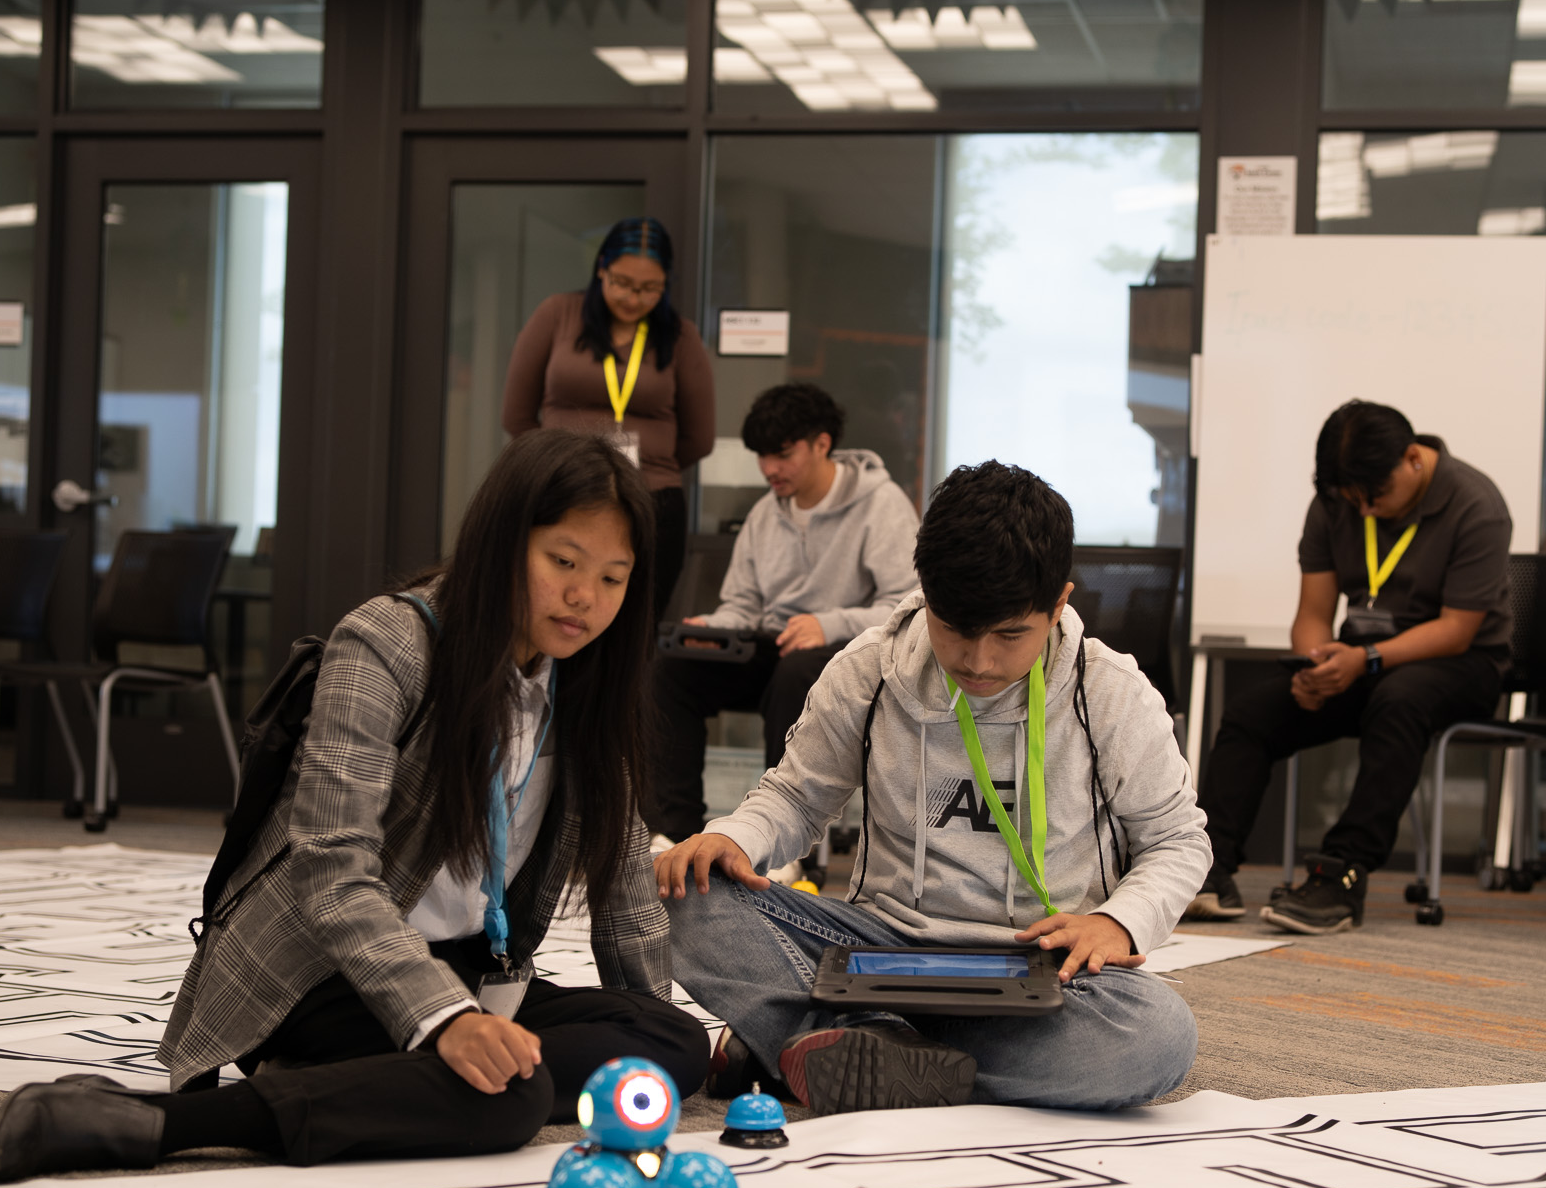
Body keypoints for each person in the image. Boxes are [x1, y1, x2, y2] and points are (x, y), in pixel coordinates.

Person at [0, 433, 706, 1182]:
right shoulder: (389, 642)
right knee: (510, 1097)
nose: (586, 596)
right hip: (322, 968)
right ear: (502, 541)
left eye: (613, 577)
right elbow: (331, 869)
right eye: (564, 561)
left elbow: (624, 888)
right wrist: (447, 1019)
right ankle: (158, 1122)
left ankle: (390, 1075)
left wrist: (650, 1038)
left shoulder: (585, 682)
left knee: (671, 1043)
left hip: (469, 965)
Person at [656, 461, 1205, 1117]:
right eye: (956, 631)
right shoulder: (868, 670)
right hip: (875, 952)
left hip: (1034, 965)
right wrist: (733, 837)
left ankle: (824, 1043)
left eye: (1008, 635)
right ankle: (867, 1042)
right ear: (925, 592)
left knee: (1156, 1039)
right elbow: (796, 796)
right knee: (675, 891)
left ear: (1059, 603)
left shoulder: (1109, 692)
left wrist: (1117, 920)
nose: (978, 660)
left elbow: (1177, 841)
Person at [1187, 399, 1511, 935]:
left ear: (1413, 459)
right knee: (1252, 713)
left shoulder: (1477, 504)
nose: (1363, 512)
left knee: (1400, 698)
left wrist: (1366, 660)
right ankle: (1207, 872)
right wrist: (1314, 667)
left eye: (1375, 498)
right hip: (1363, 661)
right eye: (1350, 500)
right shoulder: (1337, 500)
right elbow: (1313, 613)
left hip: (1462, 665)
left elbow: (1458, 629)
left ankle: (1340, 875)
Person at [647, 382, 919, 851]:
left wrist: (827, 624)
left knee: (799, 669)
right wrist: (709, 630)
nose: (769, 469)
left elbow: (907, 604)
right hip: (773, 647)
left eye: (782, 454)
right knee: (672, 668)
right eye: (761, 456)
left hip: (846, 655)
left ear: (822, 443)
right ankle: (677, 831)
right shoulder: (763, 514)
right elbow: (744, 606)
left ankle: (784, 844)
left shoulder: (882, 503)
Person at [504, 217, 714, 624]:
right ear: (601, 268)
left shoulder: (681, 338)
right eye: (621, 282)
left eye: (649, 288)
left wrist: (638, 472)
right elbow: (516, 414)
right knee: (552, 612)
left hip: (651, 498)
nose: (633, 298)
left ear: (665, 283)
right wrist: (556, 467)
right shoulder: (557, 315)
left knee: (634, 628)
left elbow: (698, 438)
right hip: (560, 490)